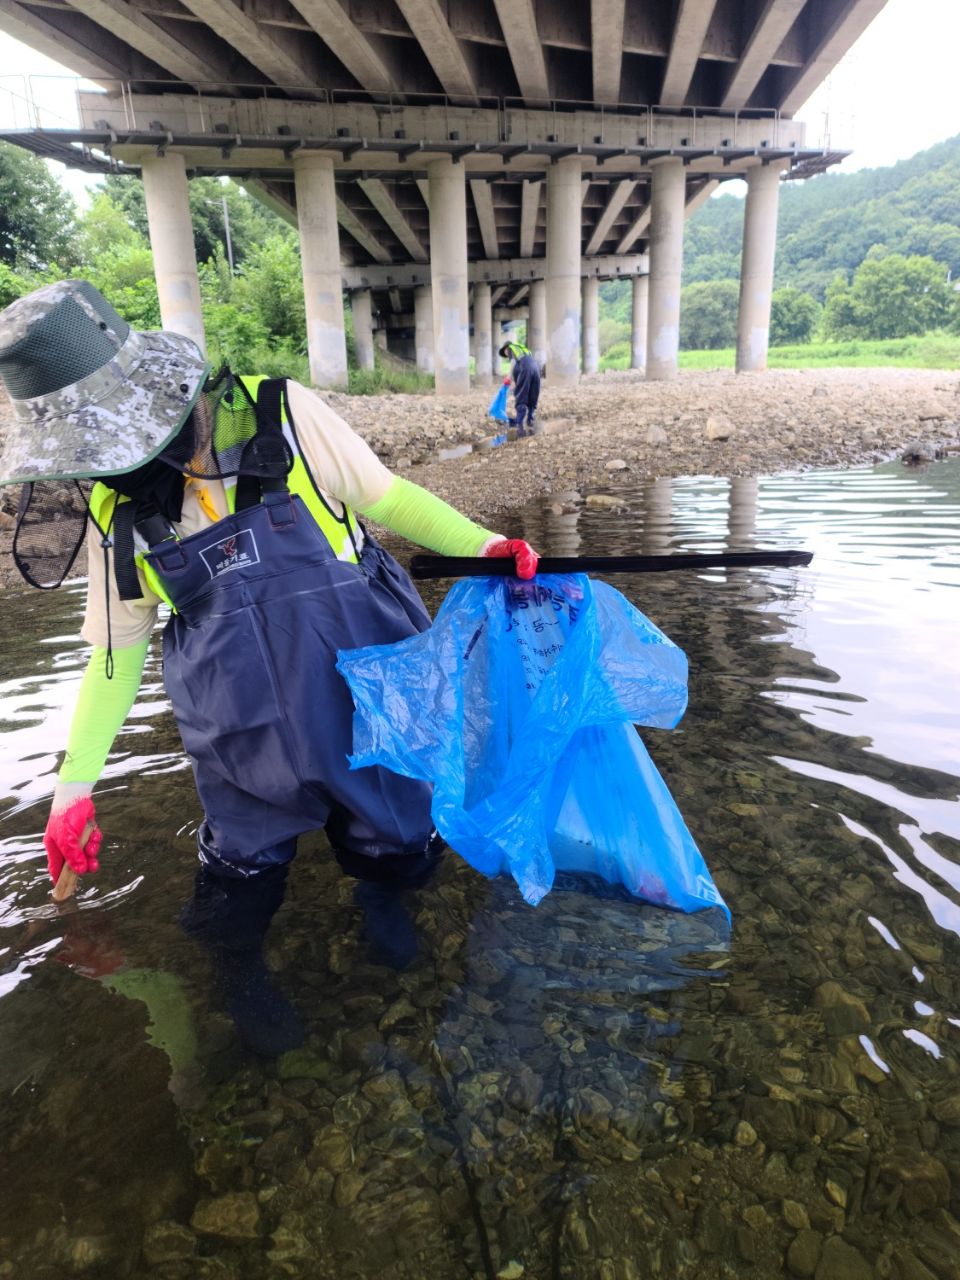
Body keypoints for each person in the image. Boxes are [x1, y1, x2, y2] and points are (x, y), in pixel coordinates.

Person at [0, 279, 538, 1053]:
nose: (117, 465)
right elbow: (115, 653)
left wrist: (486, 546)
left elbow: (390, 500)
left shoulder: (284, 411)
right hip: (241, 733)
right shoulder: (116, 510)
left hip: (368, 702)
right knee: (231, 900)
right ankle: (240, 977)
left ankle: (386, 907)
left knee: (398, 854)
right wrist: (72, 789)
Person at [498, 338, 541, 434]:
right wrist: (516, 384)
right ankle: (530, 420)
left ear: (505, 349)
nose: (506, 355)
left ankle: (519, 422)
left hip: (526, 367)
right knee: (532, 394)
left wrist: (509, 376)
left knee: (521, 396)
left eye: (504, 353)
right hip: (536, 368)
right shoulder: (522, 350)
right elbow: (522, 375)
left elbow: (514, 362)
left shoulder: (510, 348)